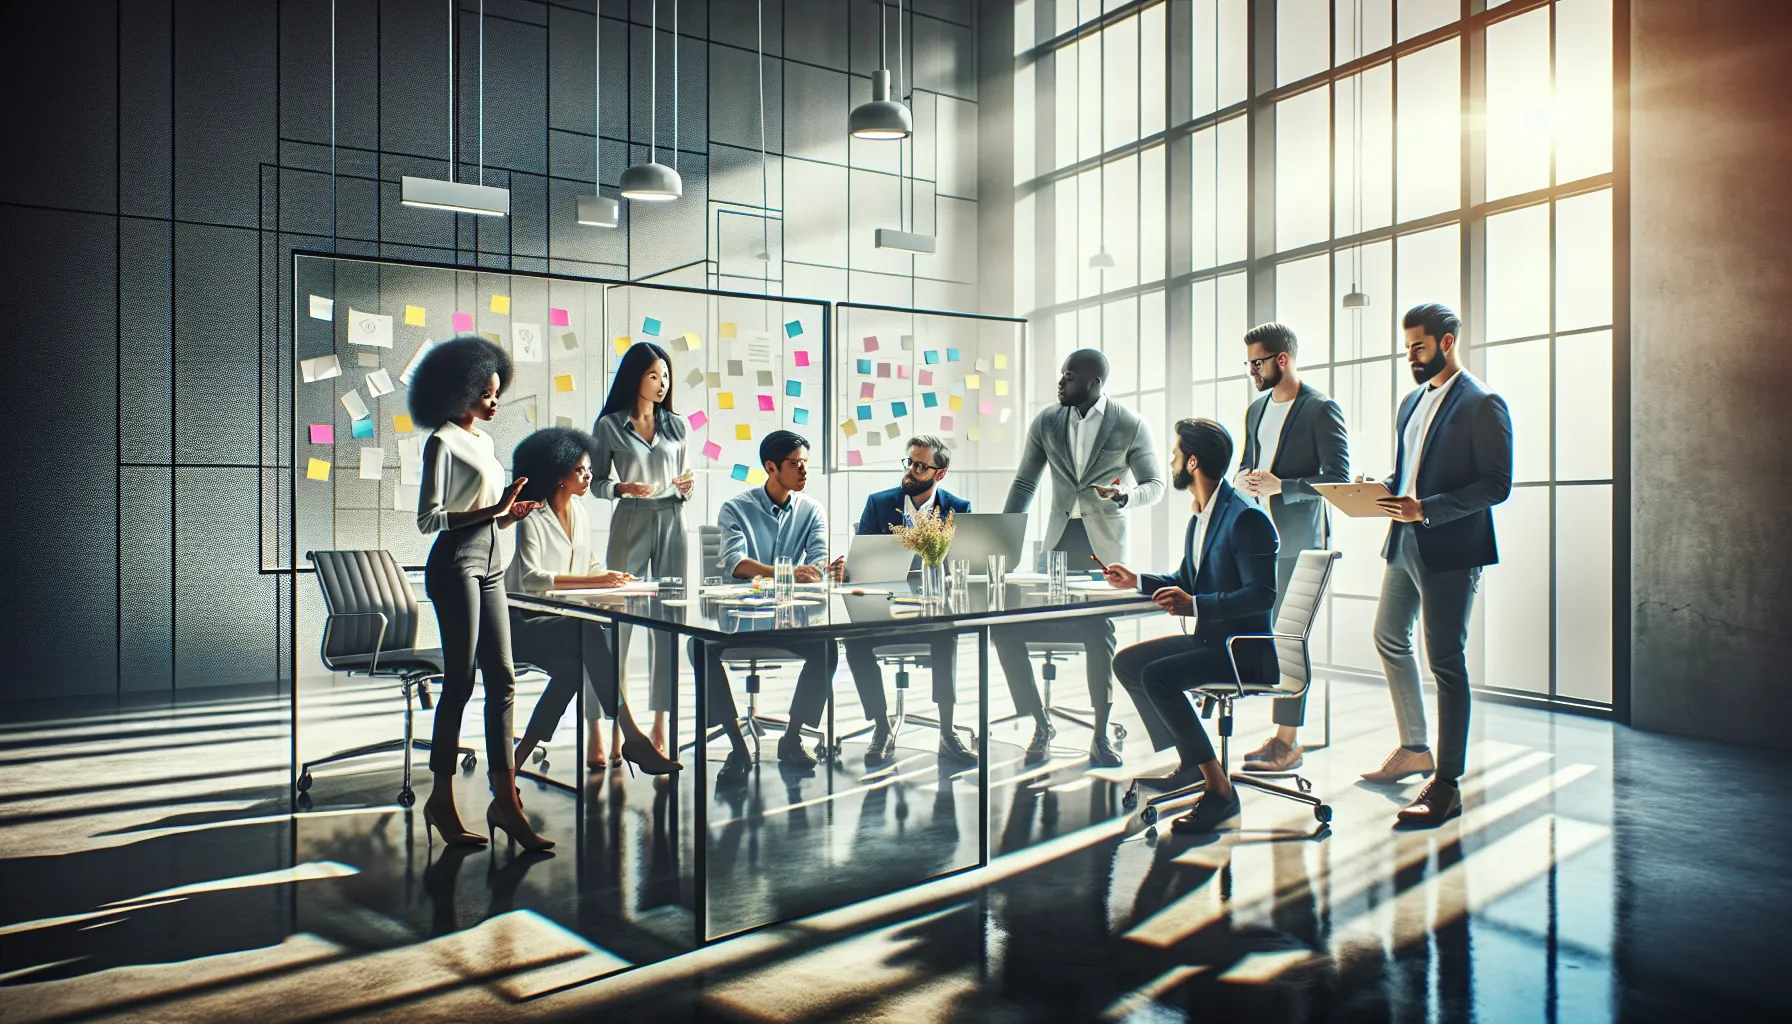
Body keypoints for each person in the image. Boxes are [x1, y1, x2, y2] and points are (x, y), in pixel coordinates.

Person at [1360, 303, 1513, 827]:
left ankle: (1446, 784)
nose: (1411, 357)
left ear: (1447, 343)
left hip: (1450, 548)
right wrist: (1382, 490)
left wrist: (1428, 509)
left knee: (1446, 661)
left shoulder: (1483, 403)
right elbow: (1413, 469)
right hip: (1402, 540)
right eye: (1407, 348)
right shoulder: (1410, 402)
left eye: (1419, 347)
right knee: (1387, 636)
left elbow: (1497, 485)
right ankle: (1415, 747)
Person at [1102, 418, 1279, 835]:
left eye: (1176, 454)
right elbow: (1186, 579)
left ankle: (1219, 789)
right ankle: (1191, 762)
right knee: (1128, 663)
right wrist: (1138, 581)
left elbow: (1262, 595)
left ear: (1193, 462)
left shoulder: (1245, 518)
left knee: (1158, 676)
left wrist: (1195, 604)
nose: (1171, 461)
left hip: (1242, 653)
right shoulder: (1201, 517)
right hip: (1210, 642)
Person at [409, 335, 550, 852]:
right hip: (455, 566)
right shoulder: (441, 440)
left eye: (497, 393)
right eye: (486, 394)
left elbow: (487, 511)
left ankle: (504, 800)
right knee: (462, 681)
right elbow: (430, 520)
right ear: (459, 389)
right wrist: (492, 512)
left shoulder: (486, 444)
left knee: (506, 678)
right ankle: (441, 798)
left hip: (493, 561)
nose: (494, 402)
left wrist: (508, 514)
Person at [996, 348, 1165, 767]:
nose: (1060, 382)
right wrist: (1002, 542)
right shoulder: (1047, 421)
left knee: (1097, 632)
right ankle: (1039, 720)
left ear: (1093, 383)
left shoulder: (1130, 424)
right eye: (1061, 374)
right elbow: (1024, 485)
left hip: (1102, 552)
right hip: (1055, 548)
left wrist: (1127, 495)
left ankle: (1101, 732)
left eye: (1068, 377)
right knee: (1004, 630)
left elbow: (1156, 484)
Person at [505, 427, 680, 777]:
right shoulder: (531, 516)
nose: (589, 476)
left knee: (572, 669)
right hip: (518, 623)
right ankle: (633, 737)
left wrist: (618, 578)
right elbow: (532, 578)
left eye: (589, 469)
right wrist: (599, 581)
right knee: (587, 631)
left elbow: (590, 565)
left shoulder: (580, 514)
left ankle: (512, 768)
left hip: (556, 623)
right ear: (558, 475)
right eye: (581, 470)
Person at [1230, 323, 1351, 773]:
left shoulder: (1321, 409)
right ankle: (1280, 734)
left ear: (1282, 359)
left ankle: (1288, 741)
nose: (1251, 372)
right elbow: (1247, 461)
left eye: (1257, 362)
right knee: (1266, 633)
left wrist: (1285, 486)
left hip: (1301, 543)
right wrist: (1243, 478)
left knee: (1290, 639)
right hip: (1259, 539)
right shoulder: (1256, 409)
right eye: (1248, 364)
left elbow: (1337, 478)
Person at [707, 430, 846, 777]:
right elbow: (736, 563)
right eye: (795, 464)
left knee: (827, 647)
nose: (803, 471)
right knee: (702, 649)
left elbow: (816, 564)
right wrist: (787, 572)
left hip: (789, 620)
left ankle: (793, 735)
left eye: (806, 464)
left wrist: (821, 572)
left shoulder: (812, 510)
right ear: (771, 467)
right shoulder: (736, 509)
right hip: (741, 620)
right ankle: (737, 747)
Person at [842, 436, 977, 767]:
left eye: (920, 466)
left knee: (946, 631)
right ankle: (881, 726)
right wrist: (848, 568)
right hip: (884, 608)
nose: (911, 471)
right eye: (909, 462)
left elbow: (966, 567)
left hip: (934, 609)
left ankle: (947, 732)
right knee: (853, 638)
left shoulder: (958, 509)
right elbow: (861, 564)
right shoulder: (879, 504)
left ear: (939, 473)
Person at [590, 341, 694, 757]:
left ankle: (659, 726)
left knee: (670, 620)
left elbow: (683, 476)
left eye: (666, 375)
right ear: (636, 378)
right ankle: (612, 726)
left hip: (672, 519)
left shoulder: (678, 426)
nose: (663, 383)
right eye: (654, 375)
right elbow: (595, 481)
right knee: (618, 624)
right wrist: (620, 487)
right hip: (630, 518)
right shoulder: (609, 426)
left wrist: (687, 488)